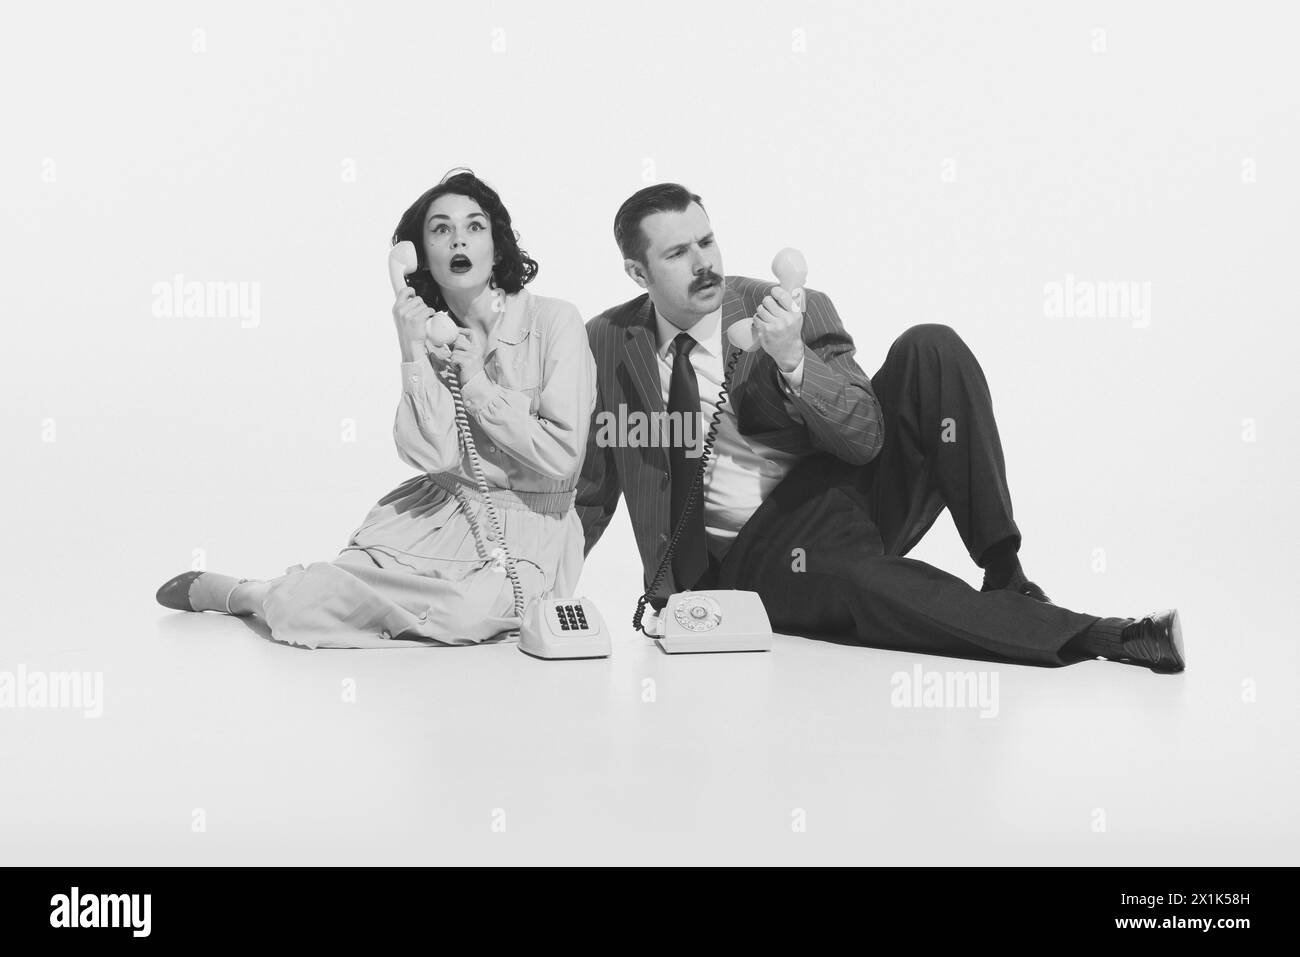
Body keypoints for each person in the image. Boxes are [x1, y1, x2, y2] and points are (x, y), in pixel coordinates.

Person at [576, 183, 1184, 672]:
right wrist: (537, 592)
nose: (704, 263)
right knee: (867, 582)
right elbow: (595, 484)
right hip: (759, 554)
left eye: (707, 241)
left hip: (845, 488)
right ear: (638, 272)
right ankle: (1106, 635)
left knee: (931, 348)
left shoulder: (791, 308)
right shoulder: (607, 342)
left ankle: (1006, 572)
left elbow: (865, 437)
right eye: (678, 253)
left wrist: (792, 360)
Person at [155, 170, 597, 648]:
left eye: (474, 226)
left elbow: (562, 455)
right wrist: (412, 350)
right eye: (440, 230)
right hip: (438, 514)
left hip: (529, 529)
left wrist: (477, 385)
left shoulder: (555, 321)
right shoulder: (430, 335)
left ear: (498, 244)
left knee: (468, 617)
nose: (457, 241)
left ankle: (323, 596)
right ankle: (250, 593)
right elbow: (437, 457)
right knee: (304, 608)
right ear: (418, 257)